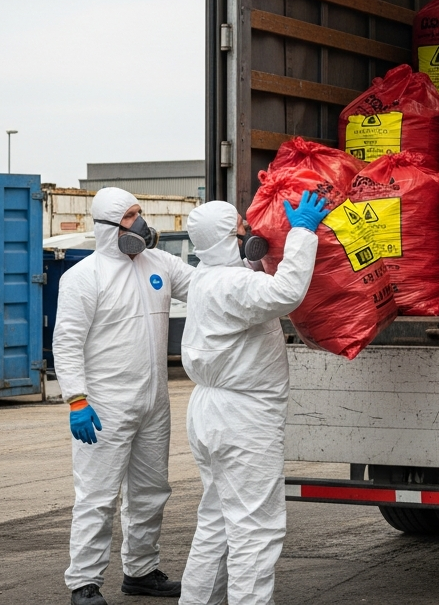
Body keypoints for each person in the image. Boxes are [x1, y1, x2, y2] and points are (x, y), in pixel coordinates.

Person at [178, 192, 329, 605]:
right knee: (254, 529)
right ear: (227, 238)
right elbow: (286, 293)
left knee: (216, 522)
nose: (249, 235)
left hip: (210, 411)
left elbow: (248, 283)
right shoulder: (234, 284)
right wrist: (301, 233)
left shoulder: (207, 277)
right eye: (242, 231)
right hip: (242, 418)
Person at [53, 188, 195, 605]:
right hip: (103, 407)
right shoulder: (83, 277)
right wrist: (76, 399)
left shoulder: (161, 263)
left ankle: (141, 571)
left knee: (151, 492)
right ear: (109, 227)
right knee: (97, 496)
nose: (142, 223)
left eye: (140, 213)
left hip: (154, 402)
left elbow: (207, 287)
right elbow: (67, 342)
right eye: (132, 216)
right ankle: (84, 582)